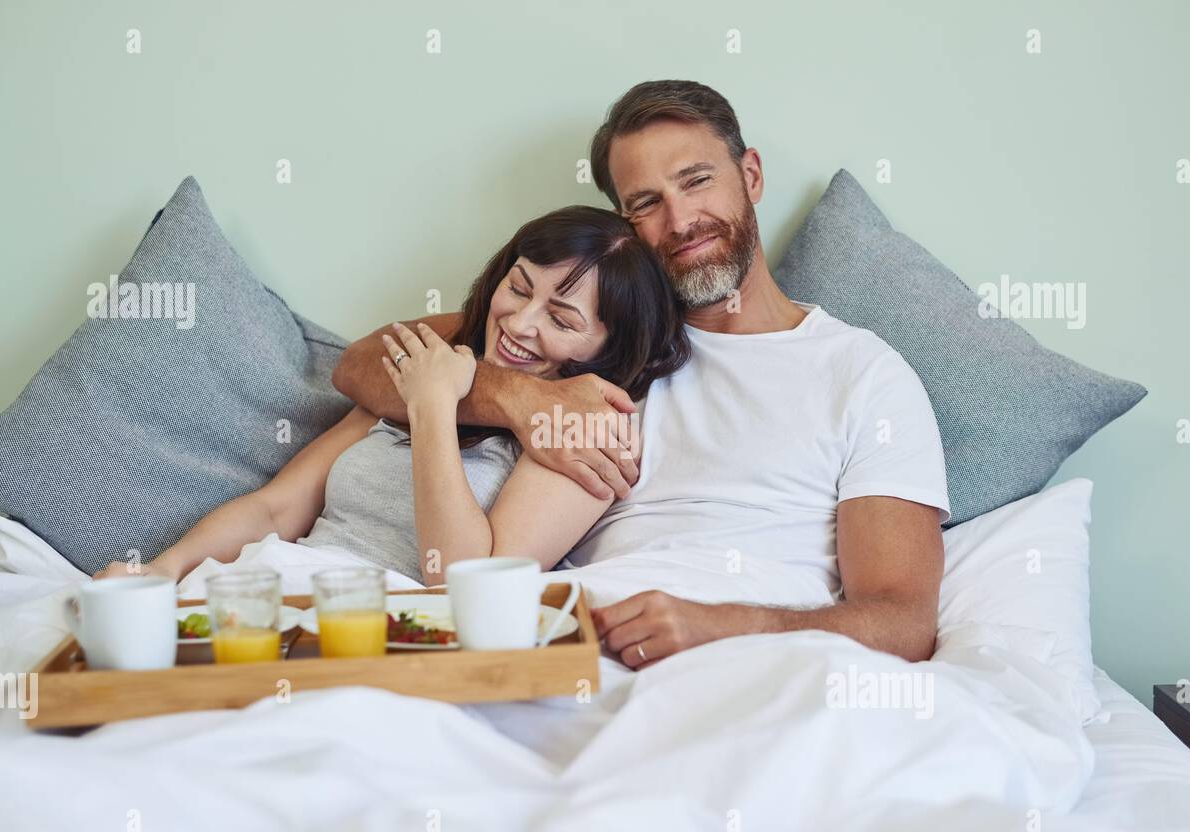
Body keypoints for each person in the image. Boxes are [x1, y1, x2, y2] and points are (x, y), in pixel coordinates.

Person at [331, 80, 952, 667]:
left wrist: (721, 625)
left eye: (696, 181)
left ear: (751, 175)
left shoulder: (863, 375)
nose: (680, 221)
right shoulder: (592, 338)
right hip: (582, 653)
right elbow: (361, 365)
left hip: (751, 662)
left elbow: (903, 622)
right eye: (646, 204)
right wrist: (517, 397)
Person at [96, 205, 688, 585]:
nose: (519, 322)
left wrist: (433, 409)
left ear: (611, 346)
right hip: (275, 592)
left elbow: (463, 585)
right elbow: (277, 508)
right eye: (518, 287)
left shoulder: (583, 436)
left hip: (398, 633)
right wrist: (161, 571)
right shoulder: (439, 365)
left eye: (561, 318)